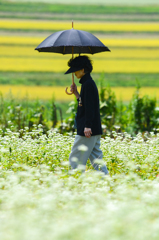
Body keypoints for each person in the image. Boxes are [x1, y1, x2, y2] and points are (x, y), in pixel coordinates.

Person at [65, 55, 108, 175]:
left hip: (87, 130)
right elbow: (84, 103)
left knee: (75, 159)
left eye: (75, 70)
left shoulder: (88, 84)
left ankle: (75, 184)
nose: (74, 74)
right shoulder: (87, 83)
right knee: (97, 160)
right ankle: (107, 182)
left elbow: (90, 108)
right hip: (93, 129)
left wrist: (87, 126)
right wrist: (77, 94)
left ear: (83, 70)